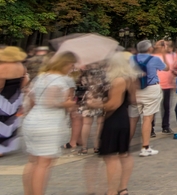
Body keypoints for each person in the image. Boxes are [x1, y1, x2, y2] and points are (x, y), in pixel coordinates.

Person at [21, 51, 78, 195]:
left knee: (33, 161)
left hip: (32, 120)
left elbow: (32, 99)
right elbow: (51, 102)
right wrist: (68, 103)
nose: (72, 68)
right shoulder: (62, 80)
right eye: (71, 65)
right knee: (44, 164)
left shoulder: (41, 77)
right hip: (49, 123)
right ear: (65, 64)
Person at [91, 52, 138, 195]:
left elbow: (113, 104)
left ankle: (112, 191)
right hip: (124, 117)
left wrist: (96, 104)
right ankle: (122, 188)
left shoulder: (118, 80)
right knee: (124, 154)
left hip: (114, 119)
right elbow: (134, 100)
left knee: (111, 156)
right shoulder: (130, 78)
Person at [130, 40, 166, 157]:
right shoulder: (154, 59)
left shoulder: (131, 59)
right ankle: (145, 147)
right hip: (151, 89)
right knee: (147, 118)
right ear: (150, 48)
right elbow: (166, 68)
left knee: (133, 119)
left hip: (135, 90)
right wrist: (163, 52)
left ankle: (125, 146)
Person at [0, 46, 28, 157]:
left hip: (3, 97)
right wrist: (19, 91)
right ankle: (3, 147)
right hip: (15, 96)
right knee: (9, 121)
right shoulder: (20, 66)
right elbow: (25, 80)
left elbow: (0, 85)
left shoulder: (2, 66)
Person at [76, 61, 107, 155]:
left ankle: (84, 148)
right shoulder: (104, 72)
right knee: (100, 123)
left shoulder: (85, 73)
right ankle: (97, 146)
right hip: (101, 97)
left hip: (88, 98)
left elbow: (81, 85)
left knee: (86, 124)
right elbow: (107, 86)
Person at [153, 41, 177, 135]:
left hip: (168, 84)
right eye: (162, 44)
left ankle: (165, 126)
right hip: (156, 84)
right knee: (154, 108)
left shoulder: (171, 56)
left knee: (166, 107)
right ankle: (151, 128)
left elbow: (172, 68)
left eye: (165, 44)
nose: (164, 46)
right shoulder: (153, 56)